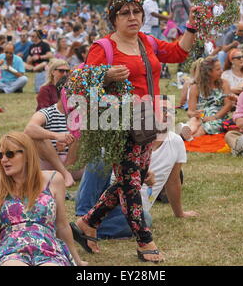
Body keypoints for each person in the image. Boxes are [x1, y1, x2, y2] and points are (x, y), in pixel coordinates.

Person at [71, 0, 196, 263]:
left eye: (136, 12)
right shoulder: (103, 47)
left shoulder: (146, 41)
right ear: (113, 19)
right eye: (124, 13)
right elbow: (81, 83)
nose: (132, 17)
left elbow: (178, 52)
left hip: (146, 120)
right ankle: (144, 242)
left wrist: (193, 26)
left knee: (133, 177)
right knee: (130, 183)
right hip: (117, 122)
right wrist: (104, 75)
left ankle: (87, 223)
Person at [75, 96, 198, 239]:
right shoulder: (132, 134)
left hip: (131, 208)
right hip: (105, 194)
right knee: (101, 155)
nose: (168, 114)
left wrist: (179, 213)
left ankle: (82, 228)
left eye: (172, 111)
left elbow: (174, 180)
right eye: (163, 110)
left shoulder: (176, 142)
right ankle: (82, 214)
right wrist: (136, 173)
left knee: (146, 219)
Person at [0, 132, 86, 266]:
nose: (3, 159)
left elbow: (62, 226)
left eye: (10, 154)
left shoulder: (53, 179)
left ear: (27, 155)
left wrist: (77, 261)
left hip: (48, 248)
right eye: (0, 155)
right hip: (11, 250)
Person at [176, 56, 234, 141]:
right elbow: (190, 111)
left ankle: (189, 137)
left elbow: (228, 105)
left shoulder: (224, 84)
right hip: (201, 116)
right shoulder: (195, 87)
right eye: (218, 69)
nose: (221, 71)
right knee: (194, 121)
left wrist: (214, 117)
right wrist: (194, 114)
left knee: (205, 127)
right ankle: (186, 133)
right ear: (209, 72)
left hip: (219, 117)